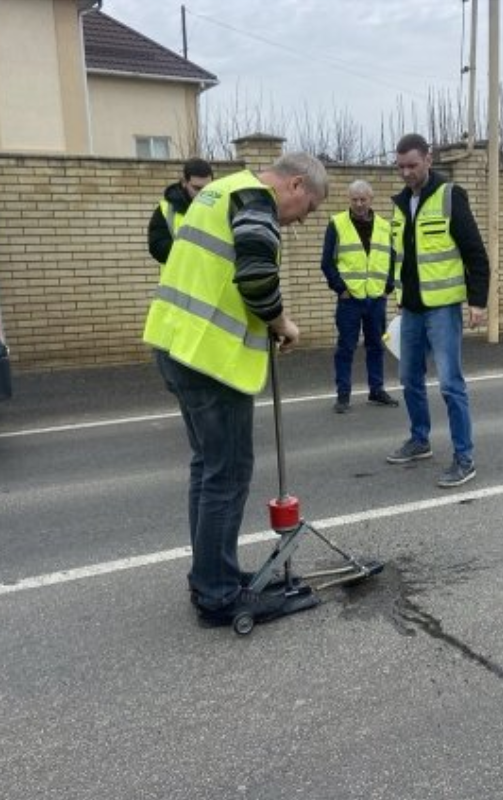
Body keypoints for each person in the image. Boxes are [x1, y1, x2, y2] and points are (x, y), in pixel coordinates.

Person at [143, 152, 328, 627]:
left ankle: (210, 574)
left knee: (207, 469)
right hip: (210, 361)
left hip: (175, 345)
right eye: (306, 210)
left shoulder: (217, 192)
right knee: (226, 475)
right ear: (295, 185)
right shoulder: (255, 201)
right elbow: (255, 276)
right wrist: (284, 322)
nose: (299, 222)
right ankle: (219, 595)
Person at [385, 133, 489, 489]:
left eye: (412, 165)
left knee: (450, 384)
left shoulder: (449, 197)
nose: (406, 173)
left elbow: (475, 251)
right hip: (411, 309)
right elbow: (397, 255)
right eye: (400, 167)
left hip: (443, 308)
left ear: (429, 159)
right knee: (409, 380)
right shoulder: (400, 204)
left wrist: (478, 301)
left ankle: (464, 458)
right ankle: (420, 440)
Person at [320, 179, 399, 414]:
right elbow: (327, 263)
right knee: (346, 348)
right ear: (349, 200)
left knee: (376, 346)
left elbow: (394, 259)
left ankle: (376, 390)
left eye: (363, 199)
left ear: (371, 199)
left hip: (376, 297)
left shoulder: (385, 226)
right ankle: (343, 395)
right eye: (354, 199)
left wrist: (388, 286)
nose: (359, 204)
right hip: (349, 299)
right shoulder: (337, 224)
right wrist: (340, 289)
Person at [147, 157, 214, 265]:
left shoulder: (221, 205)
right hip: (179, 279)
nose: (203, 194)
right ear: (184, 182)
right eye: (197, 188)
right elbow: (157, 248)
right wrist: (192, 249)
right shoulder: (166, 209)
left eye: (208, 188)